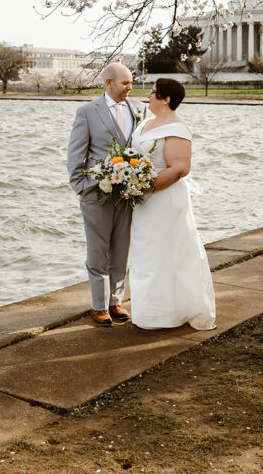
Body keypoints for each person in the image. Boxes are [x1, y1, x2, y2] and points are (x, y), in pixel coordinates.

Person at [128, 77, 216, 330]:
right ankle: (148, 312)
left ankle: (167, 314)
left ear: (166, 99)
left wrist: (142, 187)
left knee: (165, 253)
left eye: (154, 93)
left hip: (164, 199)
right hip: (142, 201)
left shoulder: (177, 128)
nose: (148, 96)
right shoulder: (147, 122)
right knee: (145, 254)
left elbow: (179, 168)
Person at [67, 62, 143, 326]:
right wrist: (80, 186)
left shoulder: (138, 109)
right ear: (109, 83)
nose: (130, 88)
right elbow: (76, 153)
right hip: (96, 192)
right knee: (98, 250)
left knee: (121, 249)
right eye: (125, 83)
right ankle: (98, 306)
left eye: (131, 82)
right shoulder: (87, 112)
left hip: (127, 194)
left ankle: (115, 301)